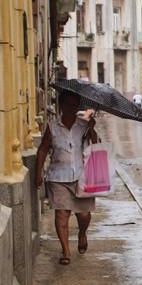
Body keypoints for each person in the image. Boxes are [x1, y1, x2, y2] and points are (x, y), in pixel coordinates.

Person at [35, 91, 98, 265]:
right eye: (67, 104)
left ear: (78, 107)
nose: (70, 108)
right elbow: (43, 149)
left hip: (82, 176)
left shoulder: (84, 126)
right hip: (58, 176)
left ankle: (82, 233)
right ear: (61, 106)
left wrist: (92, 129)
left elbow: (97, 145)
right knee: (62, 214)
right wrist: (38, 172)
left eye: (74, 105)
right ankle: (65, 251)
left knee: (84, 215)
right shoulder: (53, 127)